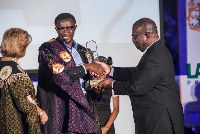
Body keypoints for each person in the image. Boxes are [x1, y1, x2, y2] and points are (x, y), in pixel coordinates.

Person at [94, 18, 184, 134]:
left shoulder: (155, 56)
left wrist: (112, 84)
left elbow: (137, 87)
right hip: (155, 118)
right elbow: (137, 73)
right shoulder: (155, 51)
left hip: (160, 120)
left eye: (135, 36)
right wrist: (111, 70)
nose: (133, 40)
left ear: (147, 35)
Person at [37, 13, 105, 134]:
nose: (65, 31)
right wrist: (86, 66)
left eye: (69, 27)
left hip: (84, 109)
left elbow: (87, 81)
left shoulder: (84, 51)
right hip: (61, 109)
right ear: (56, 29)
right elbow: (59, 76)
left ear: (75, 27)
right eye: (61, 28)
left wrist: (96, 90)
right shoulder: (48, 49)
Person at [0, 28, 48, 134]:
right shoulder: (16, 72)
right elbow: (23, 101)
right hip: (14, 126)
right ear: (20, 47)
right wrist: (40, 112)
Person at [94, 56, 119, 134]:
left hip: (107, 123)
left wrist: (106, 128)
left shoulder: (112, 83)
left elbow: (116, 109)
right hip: (91, 124)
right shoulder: (89, 84)